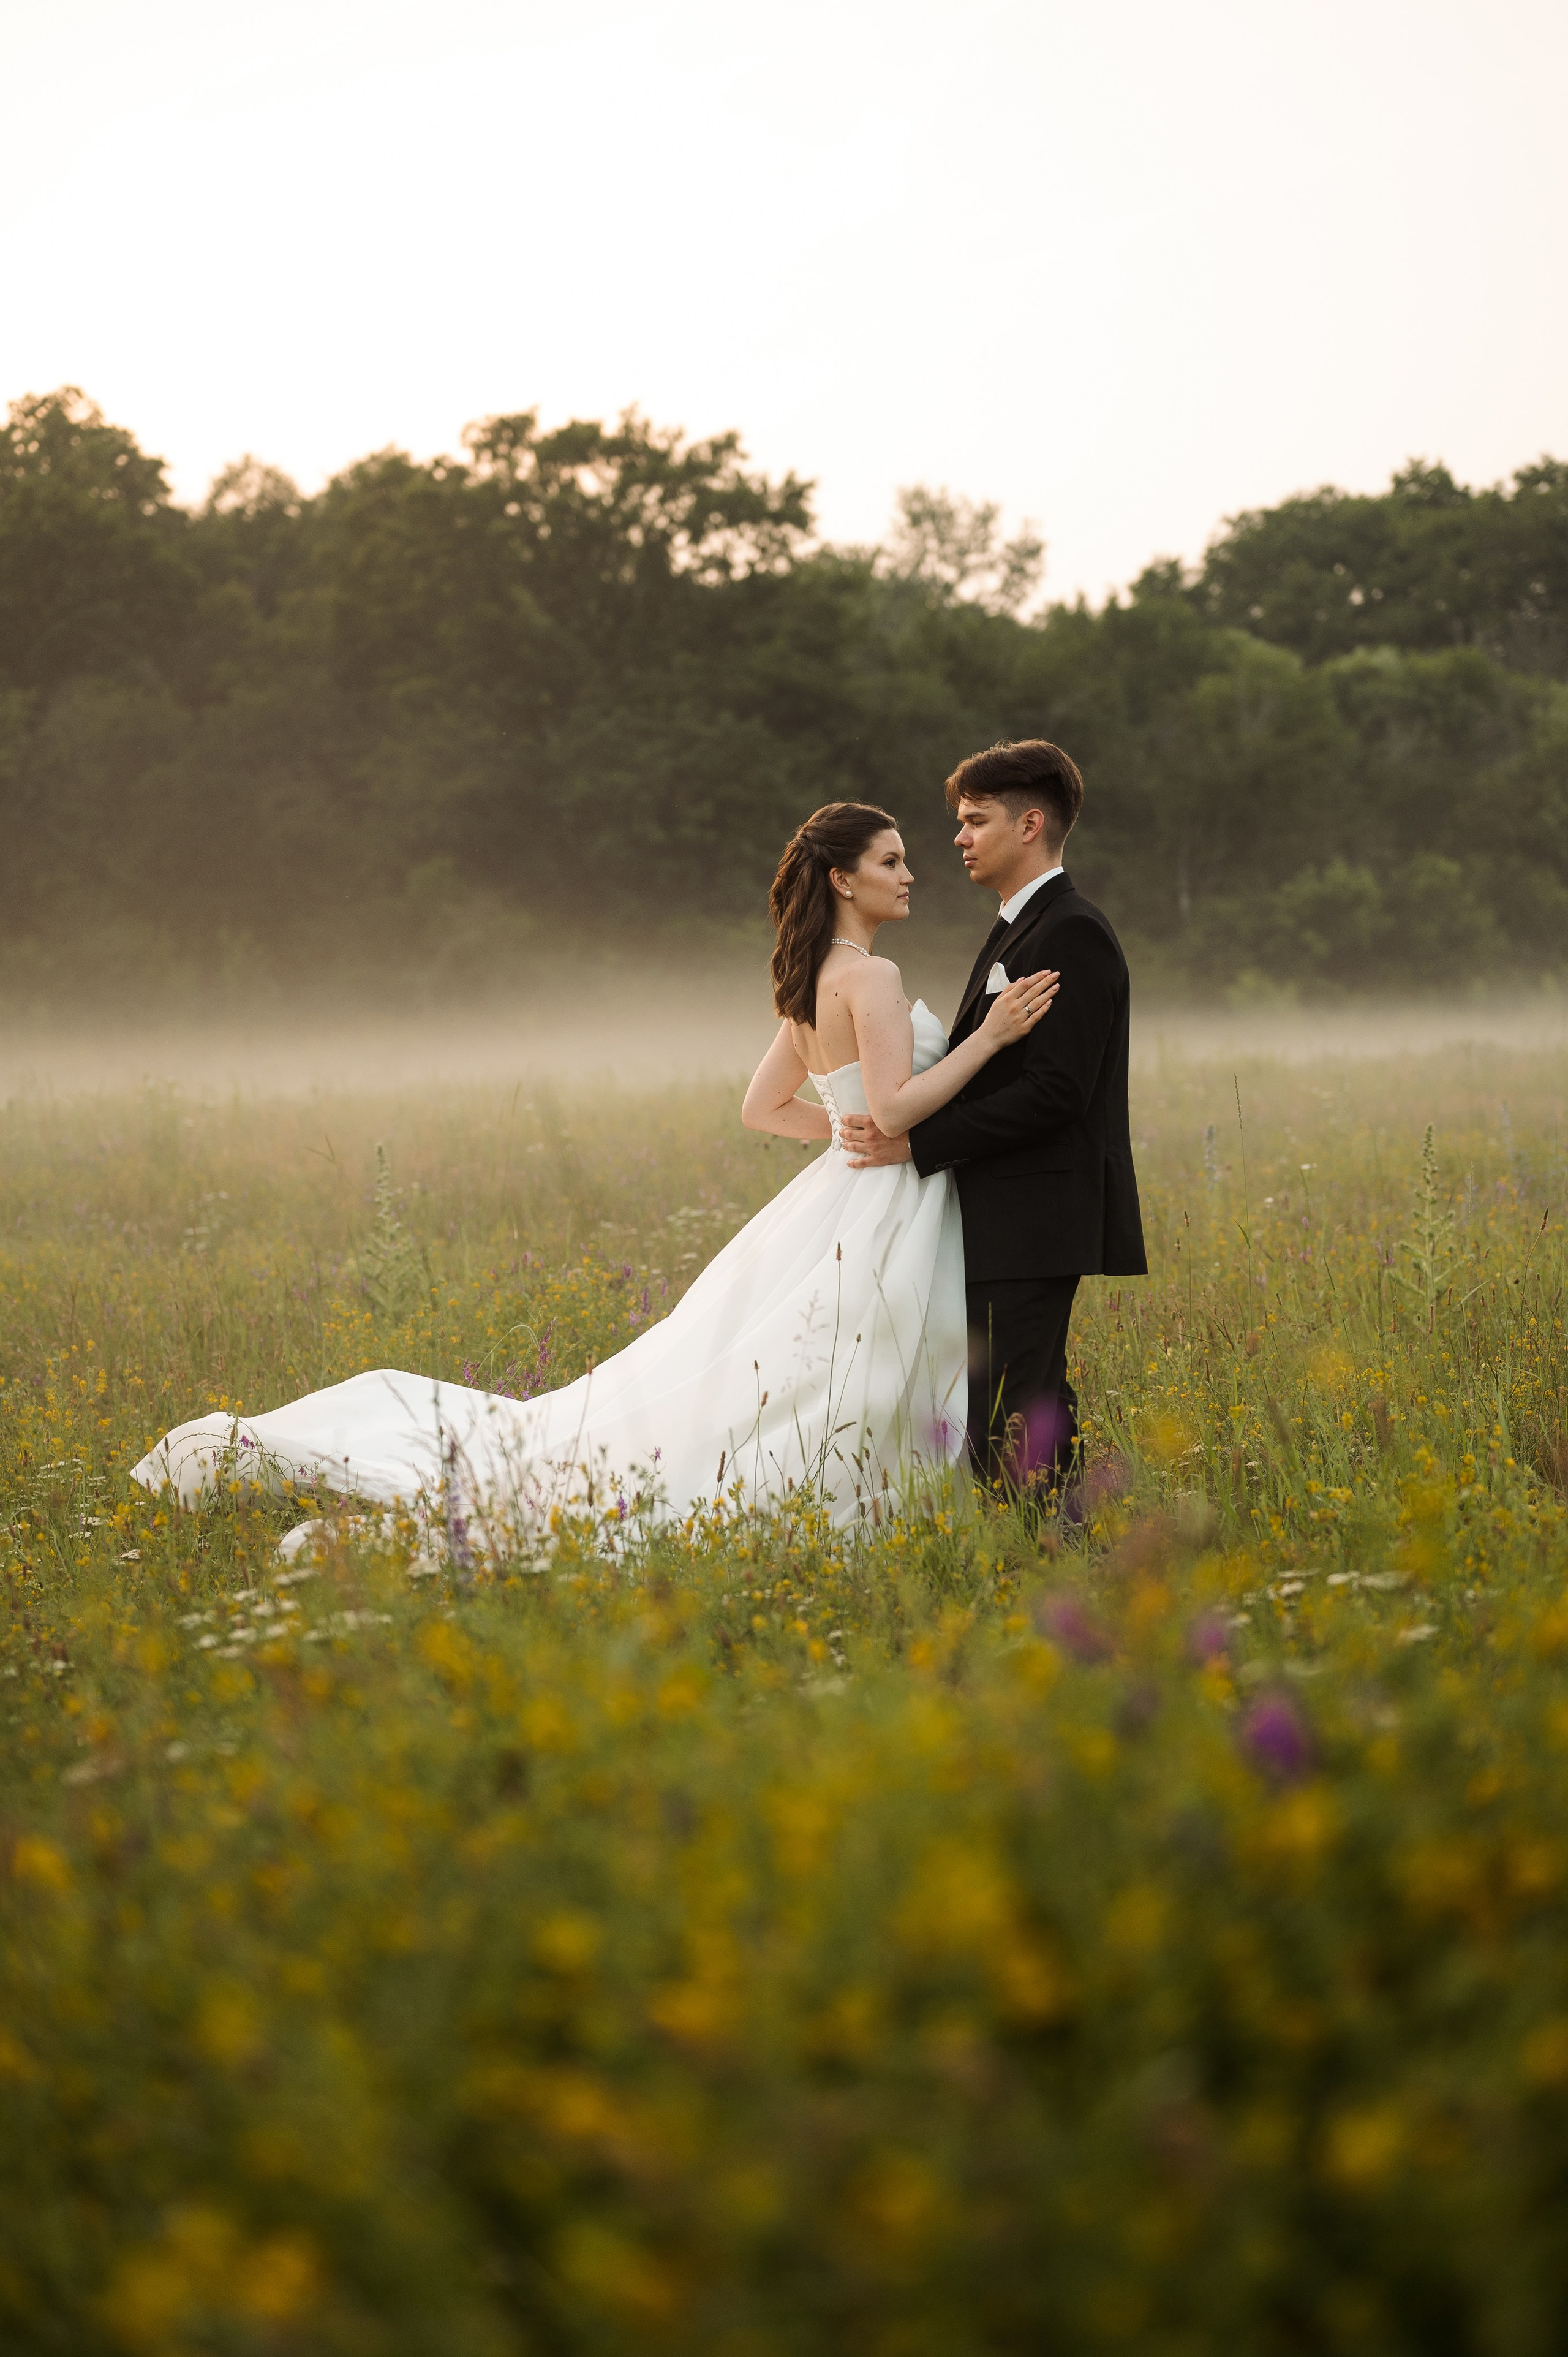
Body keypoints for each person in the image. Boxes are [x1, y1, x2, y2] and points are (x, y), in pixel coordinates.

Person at [132, 804, 1057, 1540]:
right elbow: (897, 1108)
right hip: (889, 1195)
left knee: (813, 1365)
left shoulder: (809, 976)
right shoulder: (875, 976)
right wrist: (987, 1038)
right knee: (856, 1365)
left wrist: (838, 1132)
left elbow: (762, 1107)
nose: (910, 873)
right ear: (840, 876)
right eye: (892, 860)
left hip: (842, 1190)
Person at [842, 740, 1146, 1495]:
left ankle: (1030, 1555)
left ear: (1031, 823)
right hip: (1008, 1209)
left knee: (1006, 1408)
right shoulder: (1019, 925)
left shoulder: (1070, 930)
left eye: (975, 820)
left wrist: (918, 1144)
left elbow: (1056, 1092)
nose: (959, 837)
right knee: (1030, 1398)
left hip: (1037, 1211)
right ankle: (1067, 1545)